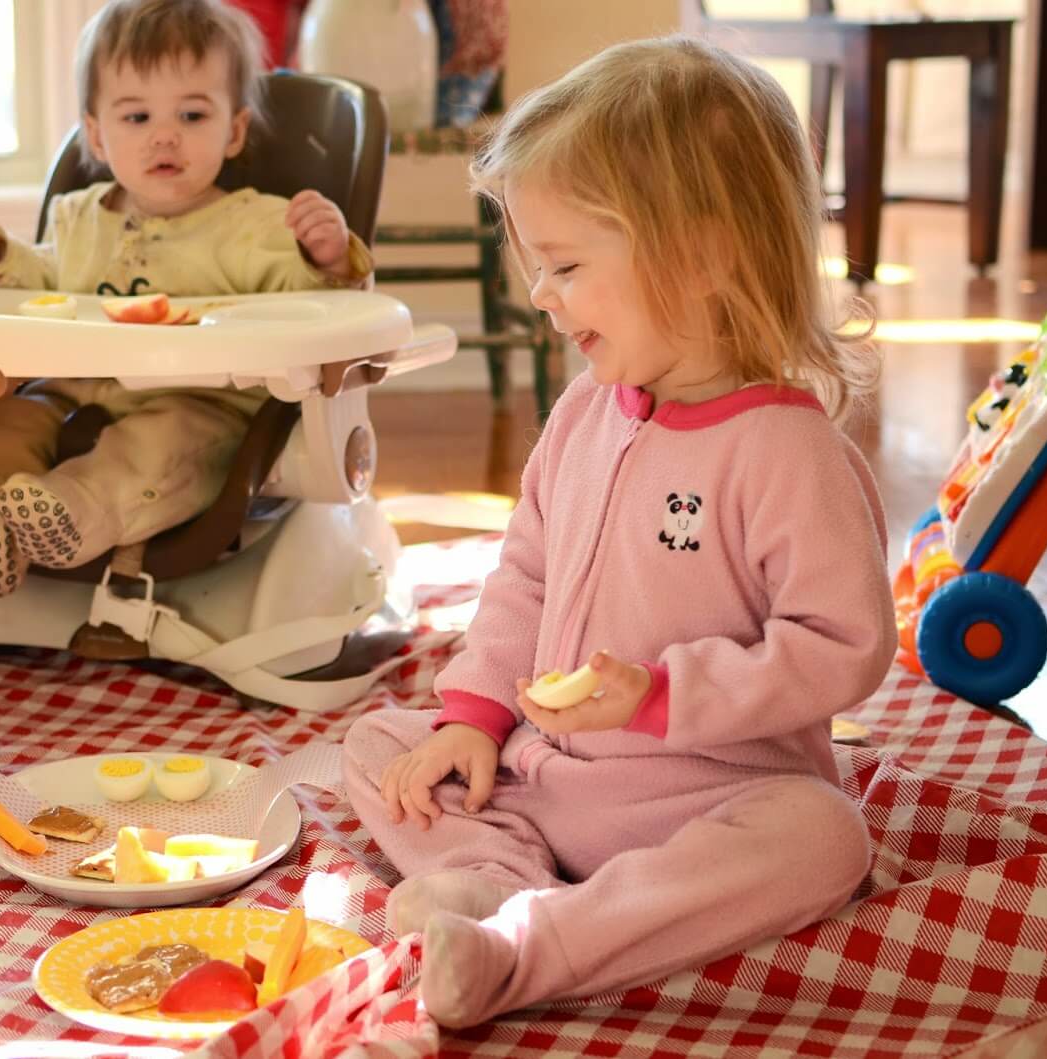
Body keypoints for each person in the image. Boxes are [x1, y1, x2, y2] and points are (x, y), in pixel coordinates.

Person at [342, 35, 896, 1028]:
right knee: (382, 741)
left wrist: (659, 695)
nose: (538, 295)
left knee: (823, 838)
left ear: (704, 252)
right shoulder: (582, 417)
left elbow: (841, 649)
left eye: (562, 264)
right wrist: (470, 720)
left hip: (705, 799)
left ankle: (532, 948)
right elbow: (523, 578)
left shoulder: (784, 453)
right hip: (538, 779)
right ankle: (483, 880)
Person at [0, 0, 371, 598]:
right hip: (71, 383)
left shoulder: (259, 226)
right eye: (136, 117)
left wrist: (325, 256)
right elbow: (38, 282)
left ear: (235, 130)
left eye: (193, 114)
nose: (165, 135)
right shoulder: (76, 217)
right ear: (96, 134)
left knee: (167, 446)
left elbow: (322, 310)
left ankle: (69, 514)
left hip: (201, 396)